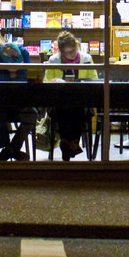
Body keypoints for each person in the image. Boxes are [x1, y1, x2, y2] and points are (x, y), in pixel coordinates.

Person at [45, 31, 97, 160]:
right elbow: (46, 83)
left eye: (74, 50)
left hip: (82, 101)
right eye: (68, 53)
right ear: (61, 51)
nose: (72, 55)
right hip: (59, 102)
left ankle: (66, 144)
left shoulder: (86, 59)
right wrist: (53, 83)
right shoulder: (54, 60)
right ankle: (73, 143)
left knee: (76, 109)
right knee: (64, 110)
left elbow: (95, 80)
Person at [0, 42, 36, 161]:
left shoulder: (23, 52)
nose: (16, 68)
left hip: (20, 99)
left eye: (18, 65)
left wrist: (13, 74)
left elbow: (26, 76)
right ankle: (9, 148)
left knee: (32, 114)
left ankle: (10, 149)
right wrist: (12, 76)